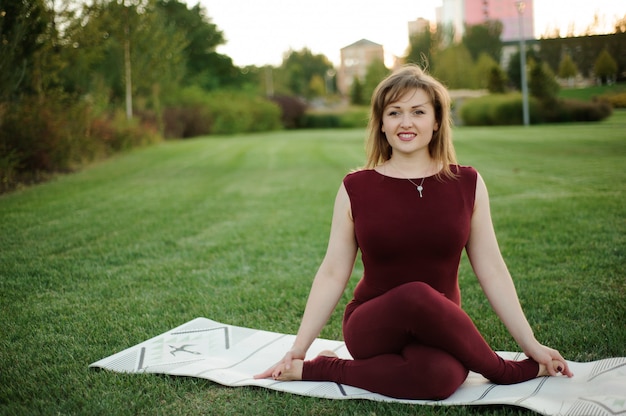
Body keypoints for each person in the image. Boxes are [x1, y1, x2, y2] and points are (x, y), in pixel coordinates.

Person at [254, 64, 573, 400]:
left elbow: (492, 269)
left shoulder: (468, 183)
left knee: (436, 380)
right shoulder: (356, 187)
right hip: (373, 326)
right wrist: (298, 349)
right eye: (395, 112)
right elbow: (333, 272)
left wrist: (530, 343)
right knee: (416, 294)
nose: (406, 122)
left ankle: (320, 370)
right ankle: (503, 371)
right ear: (381, 123)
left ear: (436, 122)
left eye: (418, 112)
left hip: (440, 327)